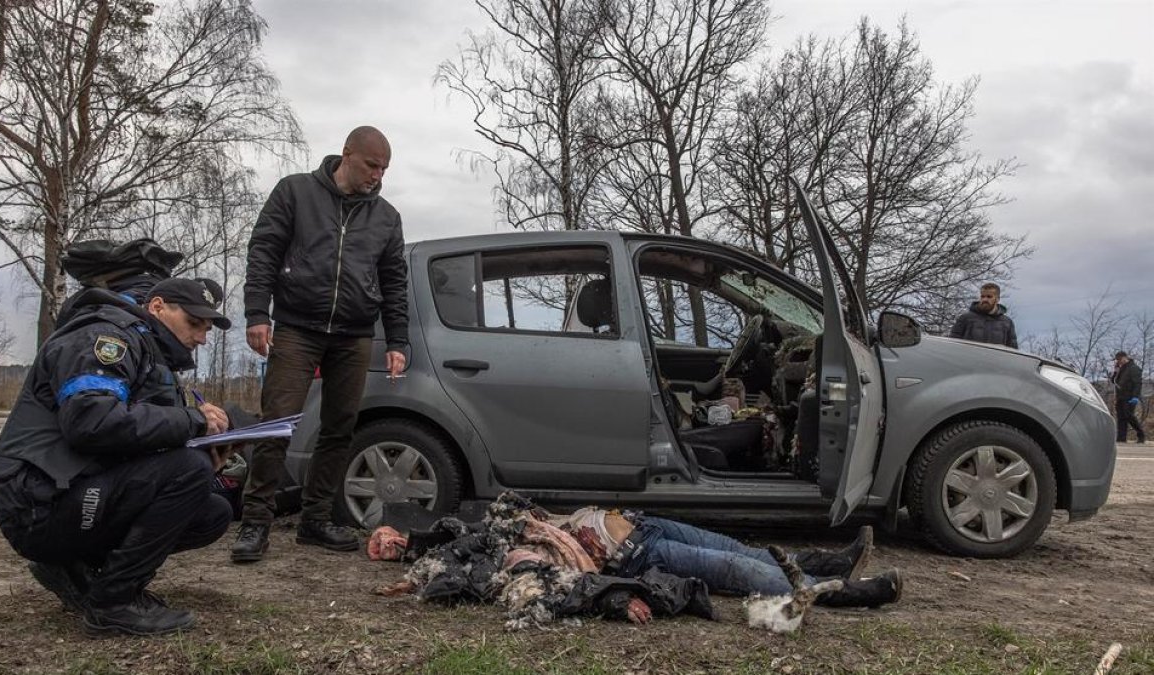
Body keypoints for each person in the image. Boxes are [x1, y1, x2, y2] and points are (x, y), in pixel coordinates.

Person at [0, 278, 236, 635]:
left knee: (212, 511)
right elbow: (91, 422)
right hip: (37, 504)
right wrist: (191, 421)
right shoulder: (105, 338)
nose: (201, 338)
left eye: (207, 329)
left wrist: (204, 448)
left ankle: (77, 570)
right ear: (157, 307)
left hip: (73, 491)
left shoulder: (149, 352)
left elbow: (136, 437)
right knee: (188, 471)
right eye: (194, 324)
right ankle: (113, 603)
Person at [233, 125, 409, 562]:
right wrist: (257, 313)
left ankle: (314, 521)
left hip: (354, 335)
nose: (378, 175)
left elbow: (393, 282)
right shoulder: (295, 192)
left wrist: (398, 340)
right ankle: (255, 523)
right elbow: (264, 251)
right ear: (346, 154)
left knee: (339, 427)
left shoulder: (386, 217)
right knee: (277, 422)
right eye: (372, 165)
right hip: (296, 327)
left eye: (384, 169)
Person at [372, 504, 902, 611]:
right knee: (744, 573)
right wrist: (408, 557)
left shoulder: (492, 526)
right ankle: (848, 593)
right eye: (387, 547)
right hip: (632, 553)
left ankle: (830, 564)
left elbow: (454, 524)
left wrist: (405, 530)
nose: (388, 543)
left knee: (736, 547)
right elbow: (452, 563)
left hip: (641, 521)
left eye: (389, 538)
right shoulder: (491, 563)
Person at [949, 282, 1018, 348]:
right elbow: (953, 344)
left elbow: (1013, 350)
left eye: (989, 297)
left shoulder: (1007, 323)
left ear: (997, 299)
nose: (985, 299)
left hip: (994, 359)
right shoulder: (966, 318)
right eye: (982, 296)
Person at [1110, 351, 1146, 444]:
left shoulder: (1134, 368)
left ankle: (1141, 434)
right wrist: (1115, 372)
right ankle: (1121, 438)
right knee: (1121, 417)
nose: (1118, 362)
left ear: (1124, 358)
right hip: (1120, 396)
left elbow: (1137, 383)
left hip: (1129, 396)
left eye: (1119, 360)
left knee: (1129, 415)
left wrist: (1135, 396)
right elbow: (1114, 381)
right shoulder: (1121, 369)